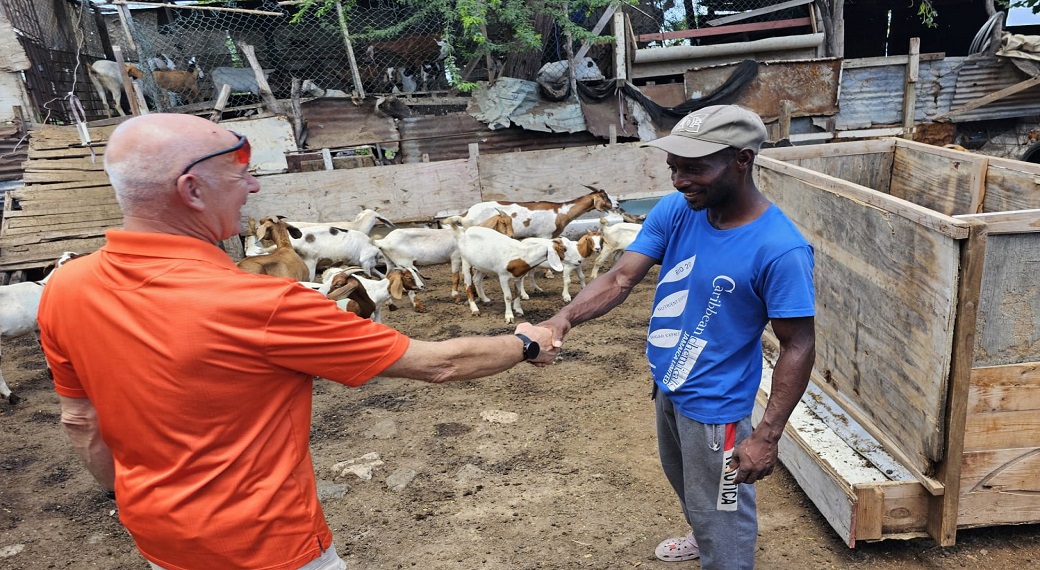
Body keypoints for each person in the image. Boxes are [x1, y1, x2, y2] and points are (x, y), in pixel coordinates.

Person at [36, 113, 557, 570]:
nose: (255, 188)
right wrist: (526, 342)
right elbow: (439, 364)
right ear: (192, 190)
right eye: (242, 175)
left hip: (157, 539)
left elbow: (82, 421)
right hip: (267, 548)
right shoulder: (260, 302)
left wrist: (123, 496)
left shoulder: (64, 287)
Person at [537, 104, 816, 569]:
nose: (678, 180)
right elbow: (620, 278)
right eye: (673, 167)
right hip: (670, 383)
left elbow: (798, 344)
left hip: (716, 407)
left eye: (694, 168)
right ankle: (704, 536)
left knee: (723, 511)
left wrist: (767, 435)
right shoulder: (679, 210)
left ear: (742, 161)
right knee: (688, 484)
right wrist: (560, 320)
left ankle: (722, 555)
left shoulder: (780, 249)